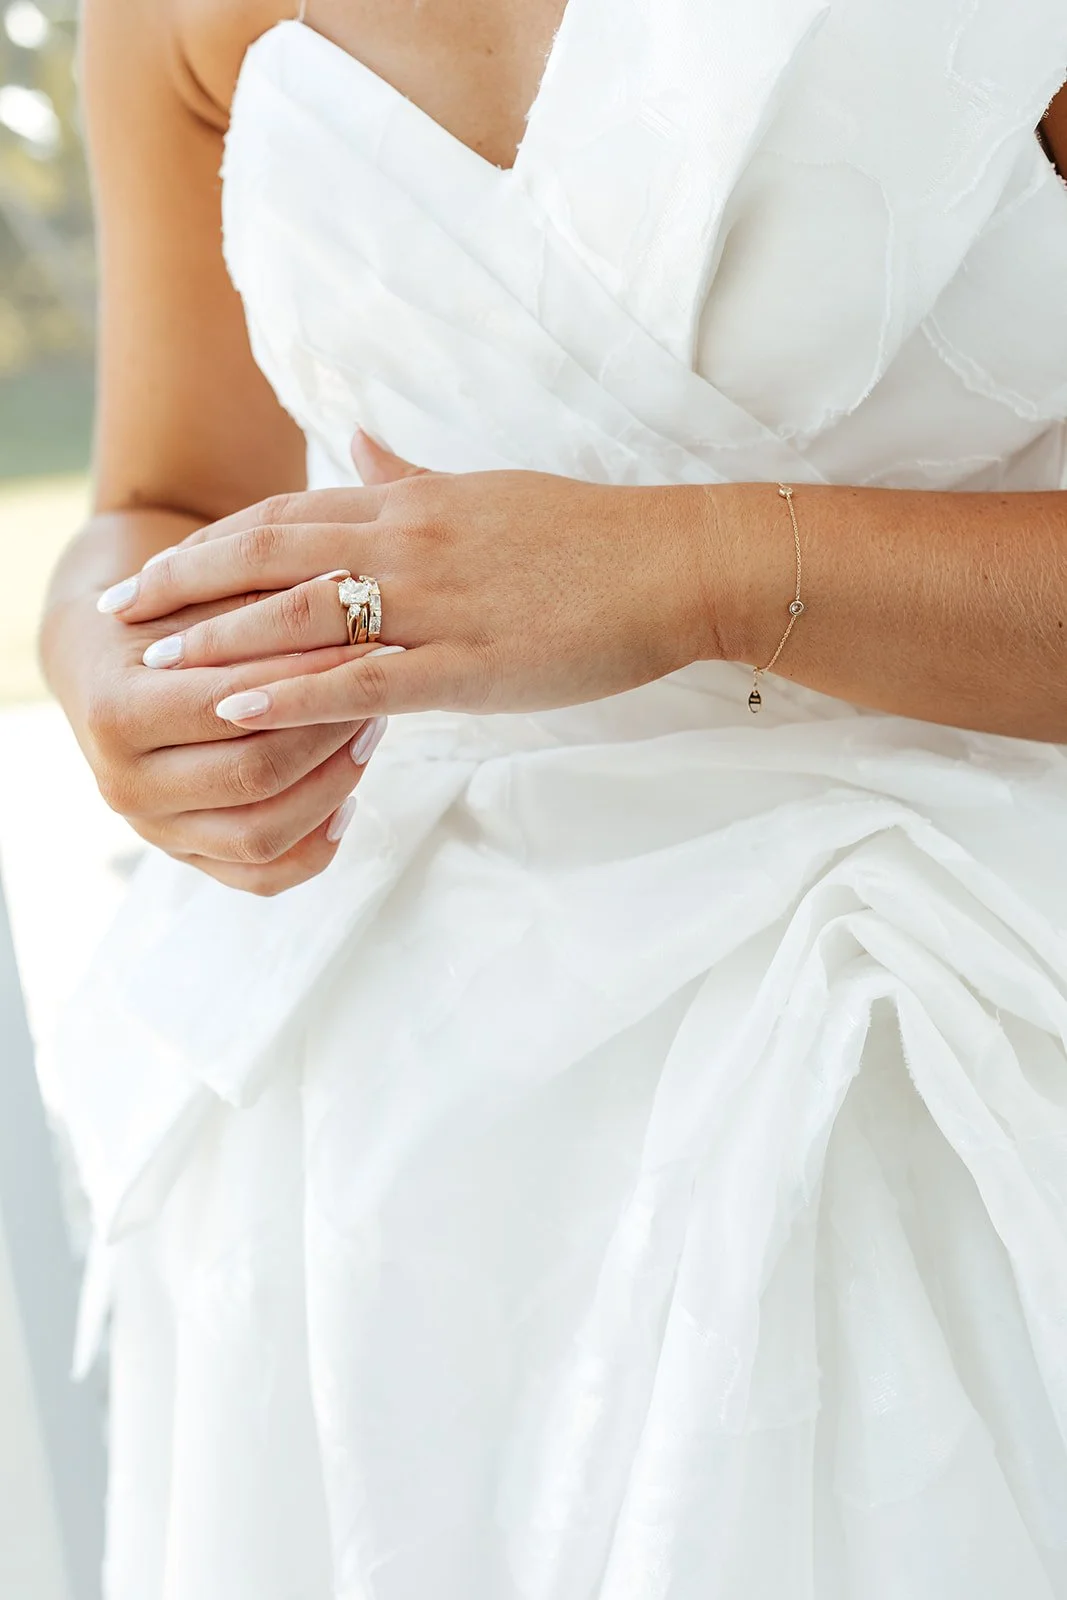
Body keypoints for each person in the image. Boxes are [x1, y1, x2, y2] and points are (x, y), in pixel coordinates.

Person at [39, 0, 1067, 1594]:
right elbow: (161, 497)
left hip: (926, 1022)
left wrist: (700, 573)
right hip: (362, 1121)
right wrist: (113, 679)